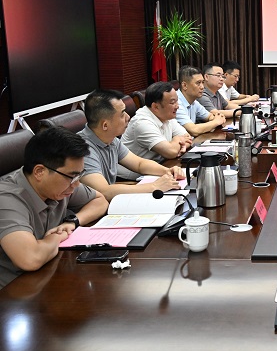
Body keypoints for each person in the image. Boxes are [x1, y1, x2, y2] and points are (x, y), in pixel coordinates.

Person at [0, 127, 108, 289]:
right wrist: (57, 237)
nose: (76, 184)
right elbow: (30, 259)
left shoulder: (61, 184)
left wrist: (73, 222)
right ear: (39, 172)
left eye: (79, 175)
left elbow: (100, 201)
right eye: (72, 176)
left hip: (48, 275)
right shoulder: (7, 199)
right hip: (14, 291)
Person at [78, 89, 184, 201]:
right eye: (122, 114)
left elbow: (139, 164)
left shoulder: (111, 139)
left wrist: (167, 171)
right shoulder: (83, 149)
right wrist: (154, 186)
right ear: (105, 125)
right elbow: (104, 191)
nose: (128, 117)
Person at [120, 82, 193, 179]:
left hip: (159, 167)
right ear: (155, 107)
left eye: (177, 101)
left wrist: (175, 146)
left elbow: (188, 138)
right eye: (172, 103)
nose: (177, 106)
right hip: (133, 178)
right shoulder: (142, 122)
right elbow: (171, 152)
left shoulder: (166, 115)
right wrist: (177, 141)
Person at [176, 65, 227, 137]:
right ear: (184, 85)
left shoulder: (194, 102)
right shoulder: (175, 102)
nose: (202, 87)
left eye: (203, 82)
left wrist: (217, 118)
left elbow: (210, 116)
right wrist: (216, 122)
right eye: (198, 83)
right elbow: (193, 130)